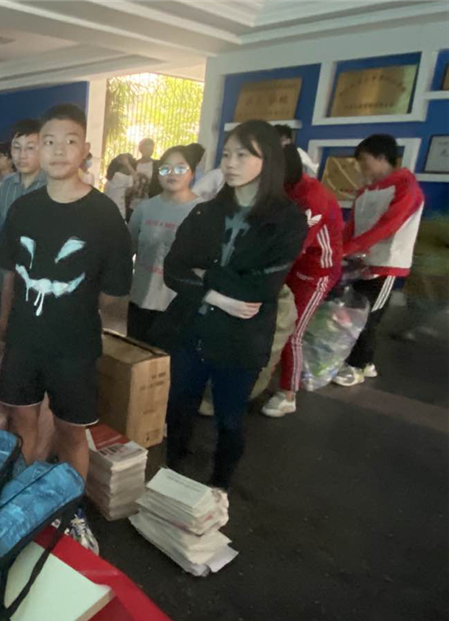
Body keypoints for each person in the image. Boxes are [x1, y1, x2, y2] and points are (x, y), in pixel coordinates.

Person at [0, 104, 132, 553]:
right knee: (21, 422)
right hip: (24, 340)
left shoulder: (104, 215)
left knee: (72, 432)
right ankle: (19, 503)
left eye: (69, 141)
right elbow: (10, 273)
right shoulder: (23, 209)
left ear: (85, 149)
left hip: (75, 345)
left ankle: (71, 510)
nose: (57, 150)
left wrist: (84, 321)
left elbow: (113, 294)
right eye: (48, 141)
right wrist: (5, 322)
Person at [153, 120, 305, 490]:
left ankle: (219, 486)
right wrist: (215, 294)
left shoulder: (287, 220)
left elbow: (260, 287)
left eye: (242, 155)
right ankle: (173, 473)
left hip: (241, 337)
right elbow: (173, 269)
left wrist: (204, 273)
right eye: (226, 154)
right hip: (192, 329)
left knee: (230, 419)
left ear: (268, 160)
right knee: (179, 408)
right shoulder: (206, 212)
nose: (231, 163)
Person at [332, 133, 424, 387]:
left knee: (368, 318)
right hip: (360, 263)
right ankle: (365, 361)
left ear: (382, 157)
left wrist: (349, 248)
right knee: (353, 313)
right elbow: (352, 226)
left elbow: (388, 225)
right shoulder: (366, 191)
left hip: (386, 264)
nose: (361, 167)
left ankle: (357, 367)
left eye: (364, 160)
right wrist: (339, 250)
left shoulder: (406, 188)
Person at [259, 144, 345, 417]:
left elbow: (294, 245)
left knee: (292, 331)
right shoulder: (279, 190)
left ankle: (288, 394)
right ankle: (265, 378)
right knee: (272, 324)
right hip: (290, 268)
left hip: (316, 272)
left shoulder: (312, 195)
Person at [127, 146, 202, 342]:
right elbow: (127, 251)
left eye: (180, 168)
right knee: (136, 355)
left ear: (192, 172)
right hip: (140, 300)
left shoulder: (203, 212)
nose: (172, 174)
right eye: (165, 168)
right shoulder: (145, 209)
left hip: (179, 305)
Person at [0, 119, 47, 317]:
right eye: (16, 148)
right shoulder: (6, 186)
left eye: (30, 148)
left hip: (40, 286)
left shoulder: (52, 187)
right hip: (5, 281)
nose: (22, 155)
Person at [103, 153, 137, 220]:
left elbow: (127, 193)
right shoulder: (119, 177)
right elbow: (136, 177)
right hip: (116, 213)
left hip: (109, 211)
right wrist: (127, 164)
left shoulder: (113, 176)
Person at [131, 137, 156, 208]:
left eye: (151, 150)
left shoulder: (157, 165)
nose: (149, 152)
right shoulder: (134, 164)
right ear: (141, 149)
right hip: (133, 202)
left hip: (150, 202)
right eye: (147, 149)